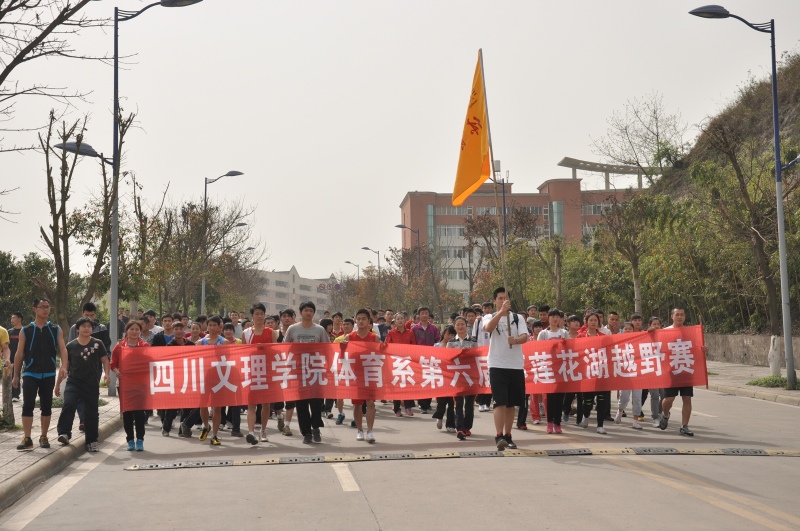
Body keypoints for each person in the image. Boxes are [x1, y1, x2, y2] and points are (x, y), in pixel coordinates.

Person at [12, 298, 68, 451]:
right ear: (34, 309)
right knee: (27, 405)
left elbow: (63, 348)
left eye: (47, 307)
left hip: (48, 373)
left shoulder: (55, 329)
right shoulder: (26, 330)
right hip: (30, 373)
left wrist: (64, 366)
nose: (45, 310)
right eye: (42, 307)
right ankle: (27, 438)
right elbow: (19, 353)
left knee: (46, 405)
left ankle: (44, 436)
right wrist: (15, 375)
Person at [482, 287, 529, 451]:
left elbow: (525, 336)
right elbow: (488, 328)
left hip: (515, 365)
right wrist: (501, 312)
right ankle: (499, 435)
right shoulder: (489, 316)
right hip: (497, 365)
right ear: (495, 300)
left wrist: (515, 340)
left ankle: (508, 436)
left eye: (505, 298)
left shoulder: (517, 318)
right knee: (500, 402)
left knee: (511, 404)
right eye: (500, 298)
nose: (503, 301)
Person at [56, 316, 111, 452]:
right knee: (69, 404)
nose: (86, 329)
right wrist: (57, 385)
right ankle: (64, 433)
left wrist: (107, 374)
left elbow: (105, 360)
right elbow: (64, 366)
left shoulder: (98, 343)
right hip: (74, 383)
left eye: (89, 326)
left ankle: (92, 440)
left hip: (91, 383)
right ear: (77, 329)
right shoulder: (71, 346)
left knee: (91, 412)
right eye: (84, 326)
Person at [284, 301, 330, 444]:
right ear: (300, 312)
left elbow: (327, 348)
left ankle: (316, 427)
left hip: (315, 371)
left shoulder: (319, 330)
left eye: (311, 310)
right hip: (299, 372)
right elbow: (285, 347)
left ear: (314, 313)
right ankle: (306, 433)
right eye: (306, 310)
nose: (308, 313)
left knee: (316, 402)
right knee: (301, 404)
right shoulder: (293, 329)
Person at [659, 308, 705, 436]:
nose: (680, 317)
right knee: (669, 399)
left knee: (687, 398)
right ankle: (665, 414)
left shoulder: (690, 332)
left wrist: (703, 349)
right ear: (672, 316)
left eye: (682, 315)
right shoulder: (664, 332)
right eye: (677, 315)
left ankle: (684, 426)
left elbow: (697, 347)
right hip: (671, 371)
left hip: (686, 369)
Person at [241, 302, 278, 445]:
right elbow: (243, 353)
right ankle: (251, 432)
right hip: (252, 371)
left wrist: (265, 349)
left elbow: (275, 351)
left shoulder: (271, 332)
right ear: (252, 316)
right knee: (251, 404)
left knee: (266, 404)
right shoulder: (246, 333)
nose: (259, 316)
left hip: (266, 371)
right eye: (257, 314)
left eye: (262, 314)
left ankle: (263, 430)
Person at [111, 320, 150, 451]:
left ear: (140, 331)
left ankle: (140, 440)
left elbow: (151, 362)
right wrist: (117, 371)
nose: (134, 332)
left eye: (136, 329)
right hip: (124, 384)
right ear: (126, 331)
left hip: (140, 385)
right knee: (127, 413)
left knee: (139, 413)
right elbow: (113, 363)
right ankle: (130, 440)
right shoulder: (120, 346)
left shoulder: (145, 346)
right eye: (131, 329)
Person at [348, 308, 378, 443]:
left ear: (368, 321)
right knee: (357, 405)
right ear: (355, 320)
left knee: (370, 403)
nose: (361, 321)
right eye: (358, 319)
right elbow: (342, 355)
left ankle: (370, 430)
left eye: (364, 319)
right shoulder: (349, 337)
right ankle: (360, 430)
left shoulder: (374, 338)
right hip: (355, 375)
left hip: (370, 374)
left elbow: (382, 355)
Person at [577, 313, 610, 434]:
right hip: (587, 373)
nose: (593, 322)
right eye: (590, 320)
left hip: (601, 372)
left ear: (598, 322)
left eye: (595, 320)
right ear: (586, 322)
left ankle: (600, 425)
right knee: (588, 401)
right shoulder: (580, 336)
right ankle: (586, 416)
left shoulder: (604, 337)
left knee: (602, 399)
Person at [538, 309, 569, 434]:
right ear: (548, 318)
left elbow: (570, 348)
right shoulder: (543, 334)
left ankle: (558, 423)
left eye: (557, 317)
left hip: (561, 368)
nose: (555, 319)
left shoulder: (564, 333)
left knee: (560, 397)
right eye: (553, 317)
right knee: (550, 397)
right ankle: (549, 422)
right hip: (549, 368)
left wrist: (565, 344)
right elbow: (538, 349)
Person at [161, 321, 194, 437]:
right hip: (174, 379)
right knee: (172, 406)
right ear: (173, 331)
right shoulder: (169, 346)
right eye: (176, 329)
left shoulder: (191, 345)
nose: (179, 331)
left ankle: (182, 429)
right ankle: (166, 428)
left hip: (188, 378)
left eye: (181, 329)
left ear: (184, 329)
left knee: (186, 406)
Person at [447, 316, 477, 440]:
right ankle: (459, 428)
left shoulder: (473, 341)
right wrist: (459, 352)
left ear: (466, 326)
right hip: (457, 376)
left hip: (470, 376)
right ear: (455, 327)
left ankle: (467, 427)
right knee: (458, 403)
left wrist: (469, 352)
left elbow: (477, 356)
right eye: (458, 324)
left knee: (469, 403)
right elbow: (448, 358)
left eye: (462, 324)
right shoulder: (451, 342)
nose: (460, 326)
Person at [199, 315, 226, 445]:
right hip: (204, 377)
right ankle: (206, 425)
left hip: (219, 378)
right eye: (210, 325)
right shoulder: (200, 342)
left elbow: (228, 360)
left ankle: (214, 435)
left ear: (219, 327)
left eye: (215, 325)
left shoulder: (224, 342)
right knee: (203, 405)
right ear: (207, 326)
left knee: (217, 408)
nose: (212, 327)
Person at [385, 311, 416, 417]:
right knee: (396, 385)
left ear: (405, 320)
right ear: (395, 321)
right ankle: (397, 408)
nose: (400, 321)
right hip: (396, 362)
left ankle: (408, 407)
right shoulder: (391, 333)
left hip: (407, 361)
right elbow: (387, 345)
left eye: (402, 318)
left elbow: (414, 346)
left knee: (408, 384)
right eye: (398, 319)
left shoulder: (410, 332)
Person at [412, 306, 440, 414]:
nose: (424, 315)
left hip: (431, 358)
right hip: (418, 358)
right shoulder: (414, 329)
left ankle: (427, 403)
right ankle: (422, 404)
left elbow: (438, 341)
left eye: (426, 313)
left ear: (429, 315)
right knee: (420, 380)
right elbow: (412, 343)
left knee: (429, 380)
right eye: (422, 313)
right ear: (418, 315)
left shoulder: (433, 328)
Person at [431, 325, 457, 433]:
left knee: (451, 402)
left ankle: (450, 424)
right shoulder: (437, 346)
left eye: (452, 335)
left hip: (453, 376)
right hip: (440, 376)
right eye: (448, 334)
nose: (450, 336)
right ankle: (440, 416)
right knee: (442, 400)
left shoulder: (456, 345)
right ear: (443, 333)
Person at [474, 301, 494, 413]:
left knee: (490, 378)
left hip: (492, 353)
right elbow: (474, 336)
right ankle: (481, 402)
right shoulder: (478, 321)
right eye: (485, 308)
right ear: (482, 309)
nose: (487, 310)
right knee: (481, 378)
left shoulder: (495, 319)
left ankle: (487, 402)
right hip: (480, 353)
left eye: (489, 308)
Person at [8, 311, 23, 401]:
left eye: (13, 318)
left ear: (19, 319)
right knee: (9, 375)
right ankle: (10, 394)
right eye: (11, 318)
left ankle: (16, 395)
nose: (11, 319)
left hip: (21, 358)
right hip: (10, 358)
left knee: (17, 374)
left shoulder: (24, 331)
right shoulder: (9, 332)